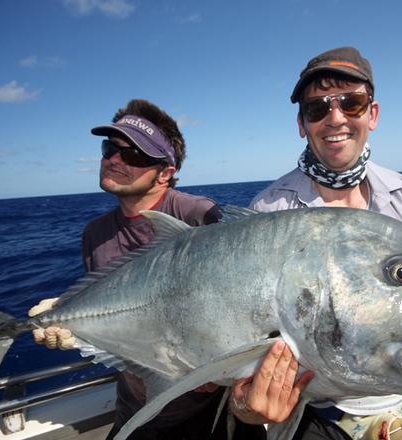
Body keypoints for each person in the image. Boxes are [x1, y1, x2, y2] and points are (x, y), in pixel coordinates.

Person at [29, 98, 280, 439]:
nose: (114, 159)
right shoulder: (95, 233)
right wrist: (68, 313)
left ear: (165, 173)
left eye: (132, 155)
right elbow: (116, 305)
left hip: (210, 411)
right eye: (110, 149)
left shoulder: (199, 215)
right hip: (138, 405)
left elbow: (245, 298)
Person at [247, 46, 402, 439]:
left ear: (373, 113)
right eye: (317, 109)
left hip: (398, 411)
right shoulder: (269, 210)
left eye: (351, 103)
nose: (335, 118)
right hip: (315, 417)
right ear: (302, 124)